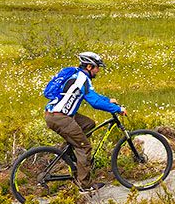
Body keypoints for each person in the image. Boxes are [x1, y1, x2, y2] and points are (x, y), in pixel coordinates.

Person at [44, 51, 124, 190]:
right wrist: (116, 109)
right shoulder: (81, 79)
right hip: (60, 117)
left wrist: (108, 100)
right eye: (97, 67)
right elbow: (94, 102)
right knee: (84, 147)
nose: (98, 70)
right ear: (89, 66)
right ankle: (85, 185)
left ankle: (70, 155)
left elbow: (93, 95)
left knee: (89, 124)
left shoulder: (78, 75)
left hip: (58, 114)